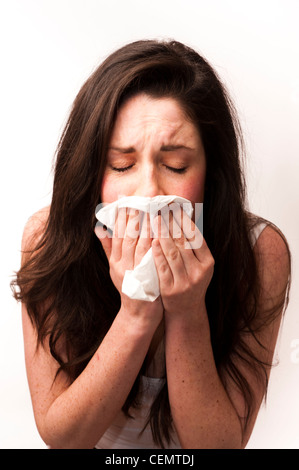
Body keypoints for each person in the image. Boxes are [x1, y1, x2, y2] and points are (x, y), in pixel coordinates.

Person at [12, 39, 291, 449]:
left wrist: (187, 310)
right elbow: (64, 438)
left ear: (211, 173)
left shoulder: (260, 253)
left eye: (176, 165)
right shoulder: (47, 238)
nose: (149, 191)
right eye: (121, 165)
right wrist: (136, 314)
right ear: (92, 170)